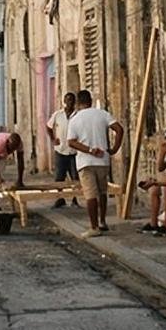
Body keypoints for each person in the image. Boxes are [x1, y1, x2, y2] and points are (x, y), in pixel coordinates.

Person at [66, 90, 123, 238]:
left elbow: (71, 142)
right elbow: (119, 129)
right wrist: (114, 149)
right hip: (103, 160)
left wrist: (90, 150)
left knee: (90, 194)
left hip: (85, 162)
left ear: (78, 103)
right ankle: (102, 221)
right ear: (90, 101)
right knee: (102, 191)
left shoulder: (75, 119)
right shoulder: (102, 114)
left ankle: (94, 227)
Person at [45, 93, 80, 209]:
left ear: (75, 102)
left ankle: (75, 199)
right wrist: (53, 139)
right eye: (68, 100)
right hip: (60, 150)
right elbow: (48, 126)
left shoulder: (78, 115)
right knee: (59, 177)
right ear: (64, 101)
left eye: (72, 100)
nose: (70, 102)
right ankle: (60, 199)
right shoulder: (58, 114)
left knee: (75, 177)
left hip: (74, 151)